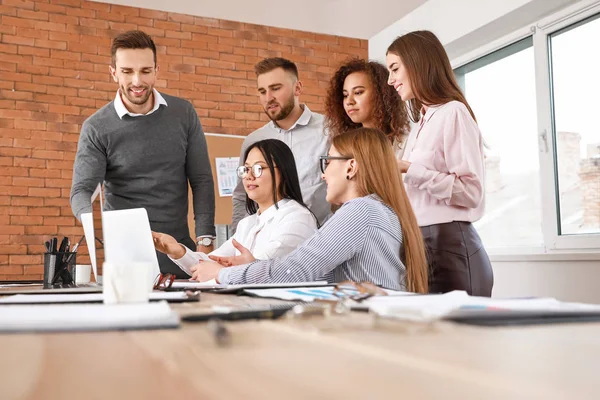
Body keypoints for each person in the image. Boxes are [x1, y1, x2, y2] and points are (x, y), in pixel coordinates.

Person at [190, 128, 429, 294]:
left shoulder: (361, 211)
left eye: (328, 162)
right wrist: (250, 267)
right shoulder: (376, 210)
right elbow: (322, 275)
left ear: (351, 167)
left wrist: (221, 275)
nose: (323, 174)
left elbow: (296, 270)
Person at [70, 30, 215, 279]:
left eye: (145, 71)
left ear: (157, 70)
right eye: (127, 71)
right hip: (126, 259)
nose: (137, 81)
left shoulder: (183, 113)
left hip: (180, 254)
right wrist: (89, 220)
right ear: (113, 72)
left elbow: (201, 179)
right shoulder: (96, 127)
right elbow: (81, 190)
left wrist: (205, 241)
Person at [386, 30, 494, 296]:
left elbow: (471, 193)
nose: (390, 80)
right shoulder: (420, 125)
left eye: (395, 69)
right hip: (423, 250)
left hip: (451, 251)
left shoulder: (453, 113)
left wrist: (409, 169)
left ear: (417, 63)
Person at [152, 139, 318, 276]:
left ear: (282, 172)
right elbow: (208, 263)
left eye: (259, 168)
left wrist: (218, 273)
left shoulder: (298, 217)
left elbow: (261, 272)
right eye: (245, 169)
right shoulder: (248, 224)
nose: (248, 176)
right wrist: (177, 251)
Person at [231, 57, 330, 233]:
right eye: (262, 91)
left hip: (318, 242)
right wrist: (239, 238)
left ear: (297, 88)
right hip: (266, 245)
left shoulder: (329, 131)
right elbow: (241, 196)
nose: (268, 98)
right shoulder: (254, 141)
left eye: (276, 88)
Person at [325, 57, 410, 156]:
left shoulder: (405, 143)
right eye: (345, 95)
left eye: (358, 92)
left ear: (381, 94)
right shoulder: (342, 147)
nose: (349, 101)